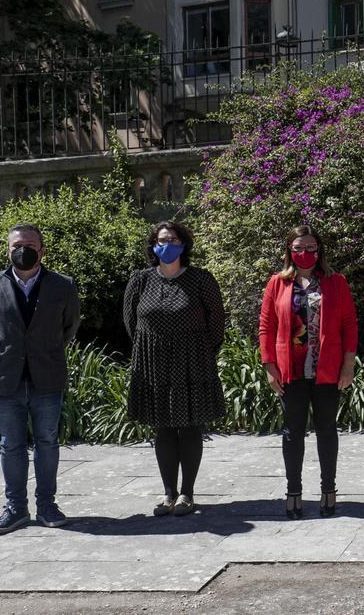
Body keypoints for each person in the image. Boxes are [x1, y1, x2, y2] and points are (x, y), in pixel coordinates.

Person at [0, 223, 80, 535]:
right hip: (6, 378)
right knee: (10, 445)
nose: (23, 249)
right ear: (8, 249)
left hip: (47, 376)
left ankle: (47, 505)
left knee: (47, 442)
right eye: (17, 244)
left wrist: (40, 349)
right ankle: (15, 509)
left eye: (30, 244)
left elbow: (68, 327)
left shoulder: (63, 285)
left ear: (42, 250)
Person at [123, 221, 226, 517]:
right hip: (153, 362)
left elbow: (216, 318)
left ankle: (187, 494)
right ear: (153, 245)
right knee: (164, 427)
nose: (167, 244)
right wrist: (151, 346)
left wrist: (204, 349)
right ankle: (168, 493)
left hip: (192, 359)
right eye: (162, 239)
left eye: (174, 239)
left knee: (191, 426)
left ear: (184, 244)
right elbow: (131, 321)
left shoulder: (200, 279)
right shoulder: (140, 280)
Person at [259, 225, 358, 519]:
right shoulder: (277, 283)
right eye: (299, 248)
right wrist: (269, 365)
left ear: (319, 251)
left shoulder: (335, 282)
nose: (305, 253)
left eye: (311, 248)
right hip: (291, 371)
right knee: (293, 432)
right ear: (290, 251)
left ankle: (329, 489)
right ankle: (294, 491)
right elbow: (266, 326)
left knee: (327, 430)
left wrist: (348, 364)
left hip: (326, 370)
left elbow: (350, 324)